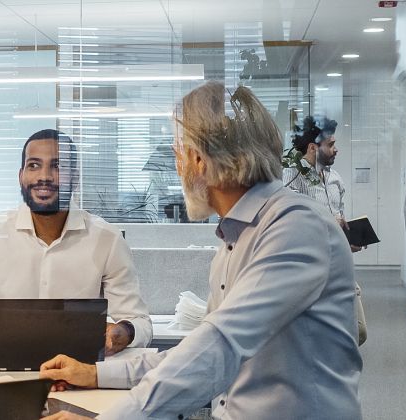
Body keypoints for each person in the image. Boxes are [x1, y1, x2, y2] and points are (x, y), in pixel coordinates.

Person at [38, 82, 361, 419]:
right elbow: (197, 352)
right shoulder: (234, 238)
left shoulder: (295, 226)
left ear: (198, 160)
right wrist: (95, 373)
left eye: (179, 153)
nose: (178, 167)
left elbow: (219, 346)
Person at [0, 129, 152, 354]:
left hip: (78, 370)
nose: (44, 177)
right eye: (34, 165)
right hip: (3, 371)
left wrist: (125, 331)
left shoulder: (107, 240)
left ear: (75, 177)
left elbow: (139, 322)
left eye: (57, 166)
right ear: (21, 176)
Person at [283, 115, 368, 345]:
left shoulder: (335, 179)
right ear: (313, 147)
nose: (335, 149)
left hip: (338, 267)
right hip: (309, 273)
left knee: (358, 332)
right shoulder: (292, 179)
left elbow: (340, 218)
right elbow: (291, 230)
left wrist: (348, 238)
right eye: (330, 144)